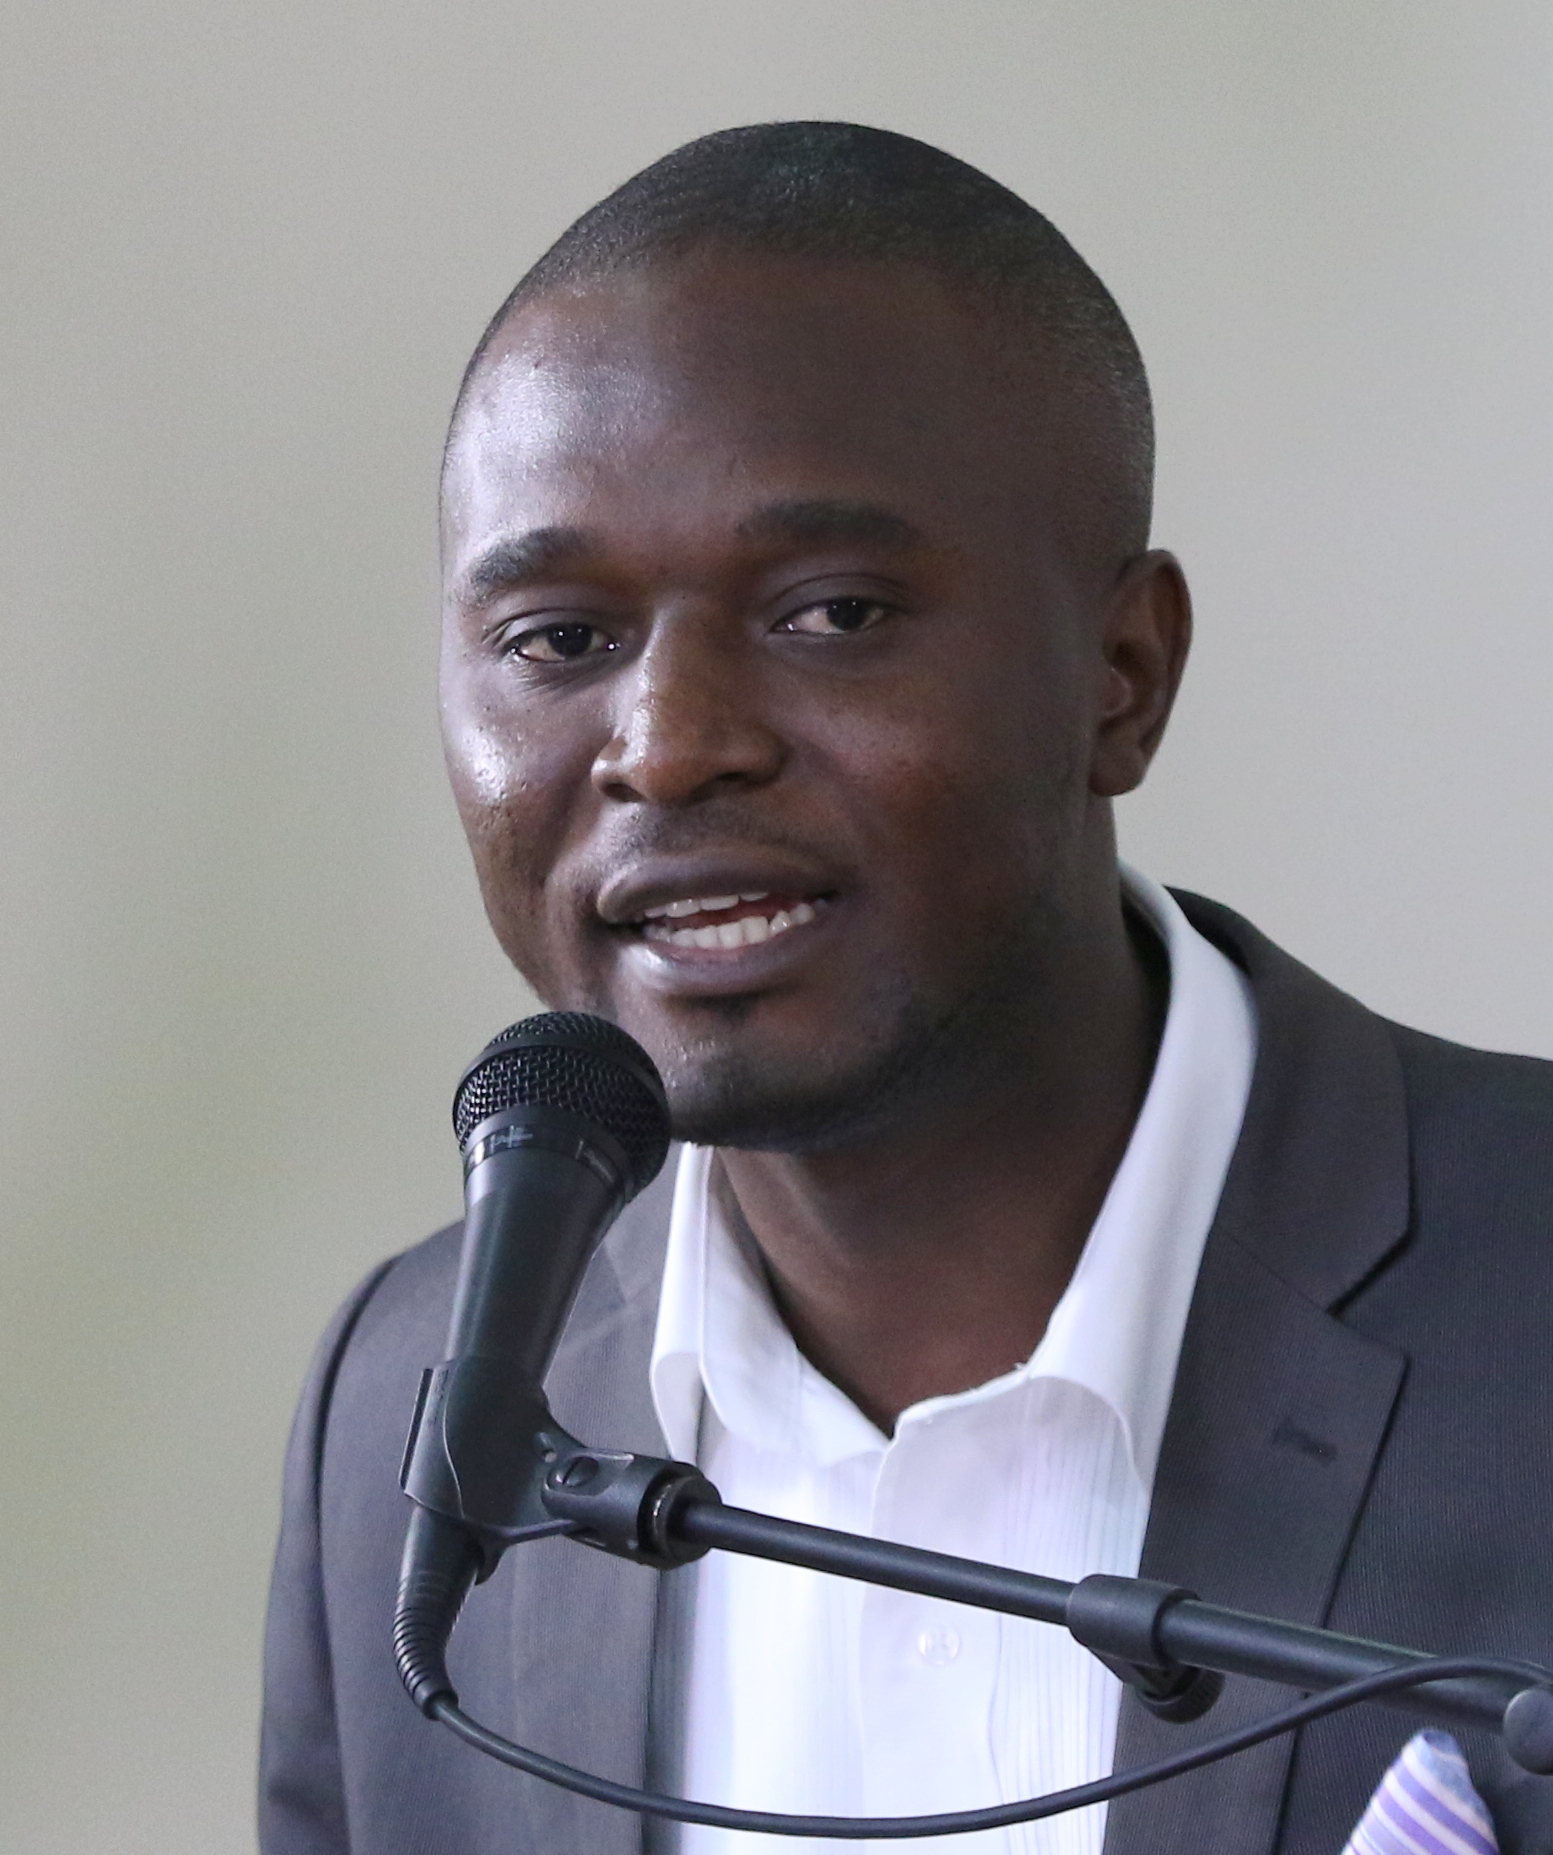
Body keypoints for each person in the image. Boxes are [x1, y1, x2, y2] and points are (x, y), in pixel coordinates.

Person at [258, 124, 1553, 1855]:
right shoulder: (410, 1408)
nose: (670, 745)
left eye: (833, 613)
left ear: (1122, 674)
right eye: (561, 639)